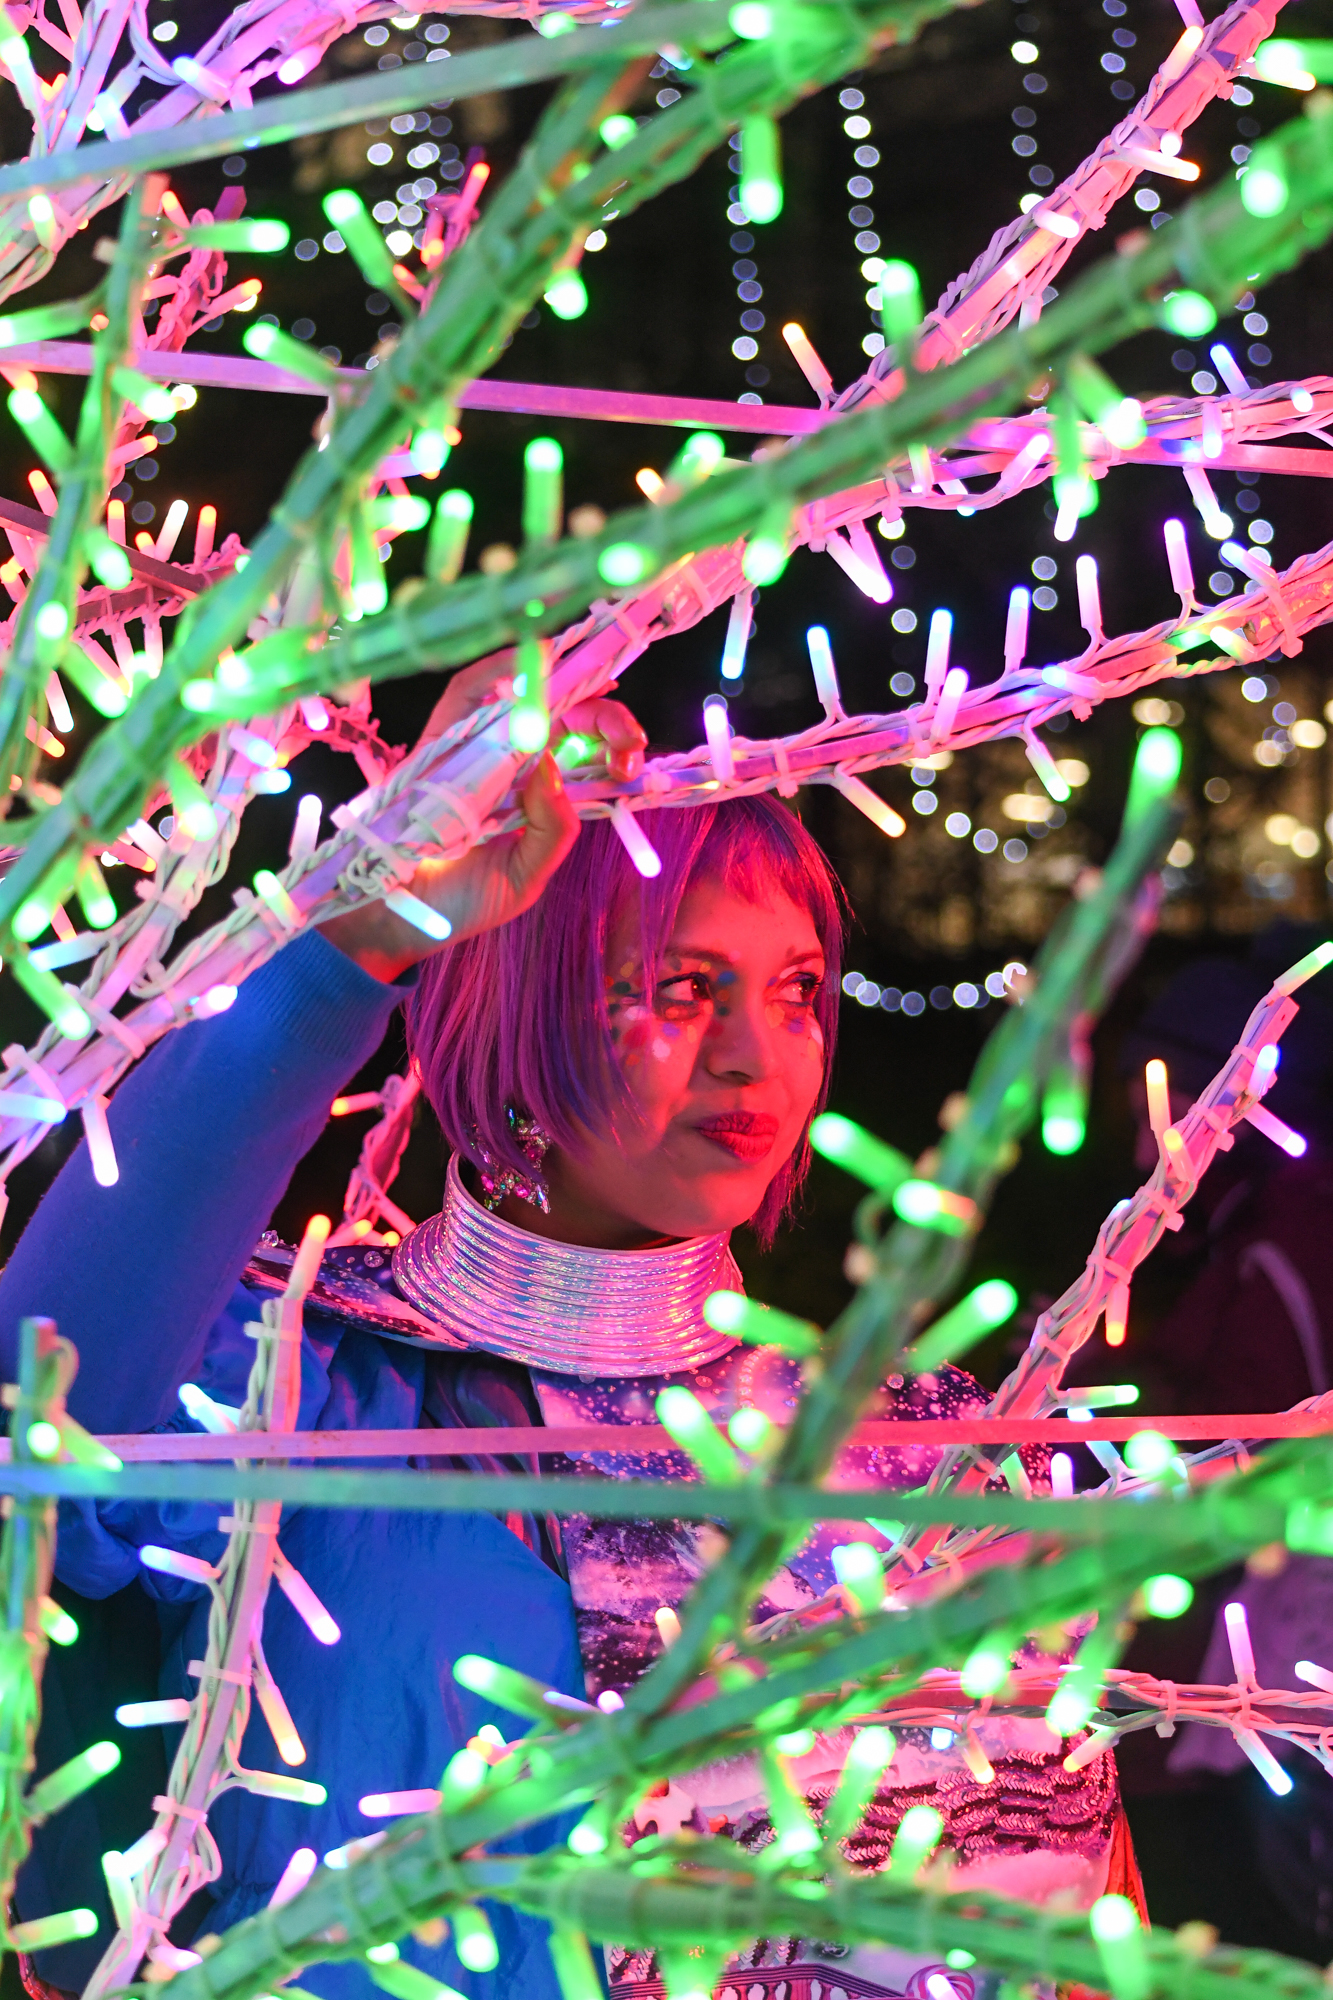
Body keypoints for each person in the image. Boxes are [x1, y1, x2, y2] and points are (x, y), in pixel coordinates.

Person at [3, 671, 1135, 2000]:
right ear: (519, 1007)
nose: (752, 1054)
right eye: (683, 986)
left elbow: (1067, 1907)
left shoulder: (915, 1453)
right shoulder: (288, 1378)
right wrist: (355, 938)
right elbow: (34, 1424)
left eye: (796, 989)